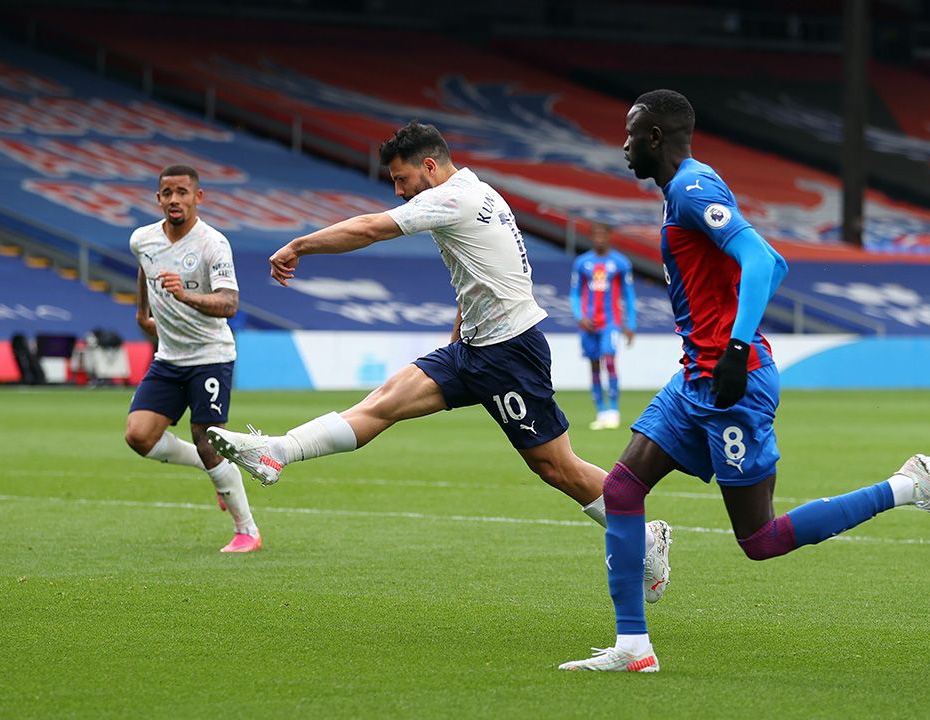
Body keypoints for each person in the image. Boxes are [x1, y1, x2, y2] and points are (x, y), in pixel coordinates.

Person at [558, 89, 930, 673]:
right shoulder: (684, 193)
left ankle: (908, 486)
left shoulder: (692, 188)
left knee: (760, 539)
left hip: (734, 383)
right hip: (696, 379)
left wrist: (735, 347)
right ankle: (633, 647)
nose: (622, 146)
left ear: (654, 137)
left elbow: (761, 259)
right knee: (622, 491)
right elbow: (757, 266)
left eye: (630, 134)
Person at [208, 121, 672, 596]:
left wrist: (298, 245)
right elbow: (480, 274)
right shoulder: (479, 192)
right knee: (383, 403)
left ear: (430, 166)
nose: (399, 190)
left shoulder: (454, 197)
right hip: (473, 348)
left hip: (510, 352)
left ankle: (644, 535)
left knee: (556, 468)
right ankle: (277, 452)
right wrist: (458, 337)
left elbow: (370, 229)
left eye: (401, 179)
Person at [123, 164, 260, 553]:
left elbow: (230, 303)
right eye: (167, 193)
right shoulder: (143, 239)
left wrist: (185, 296)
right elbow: (145, 267)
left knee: (207, 437)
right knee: (138, 436)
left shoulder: (212, 244)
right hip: (169, 356)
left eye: (182, 192)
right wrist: (141, 311)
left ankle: (247, 530)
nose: (174, 200)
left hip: (211, 355)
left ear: (198, 197)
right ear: (158, 198)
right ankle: (213, 467)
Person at [570, 223, 636, 430]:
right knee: (594, 365)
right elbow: (574, 293)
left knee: (609, 359)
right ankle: (601, 411)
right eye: (595, 235)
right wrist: (580, 316)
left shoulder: (620, 263)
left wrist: (630, 324)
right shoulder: (582, 263)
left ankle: (614, 410)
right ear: (591, 238)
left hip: (611, 322)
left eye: (602, 235)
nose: (599, 239)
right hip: (589, 323)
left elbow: (629, 295)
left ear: (609, 236)